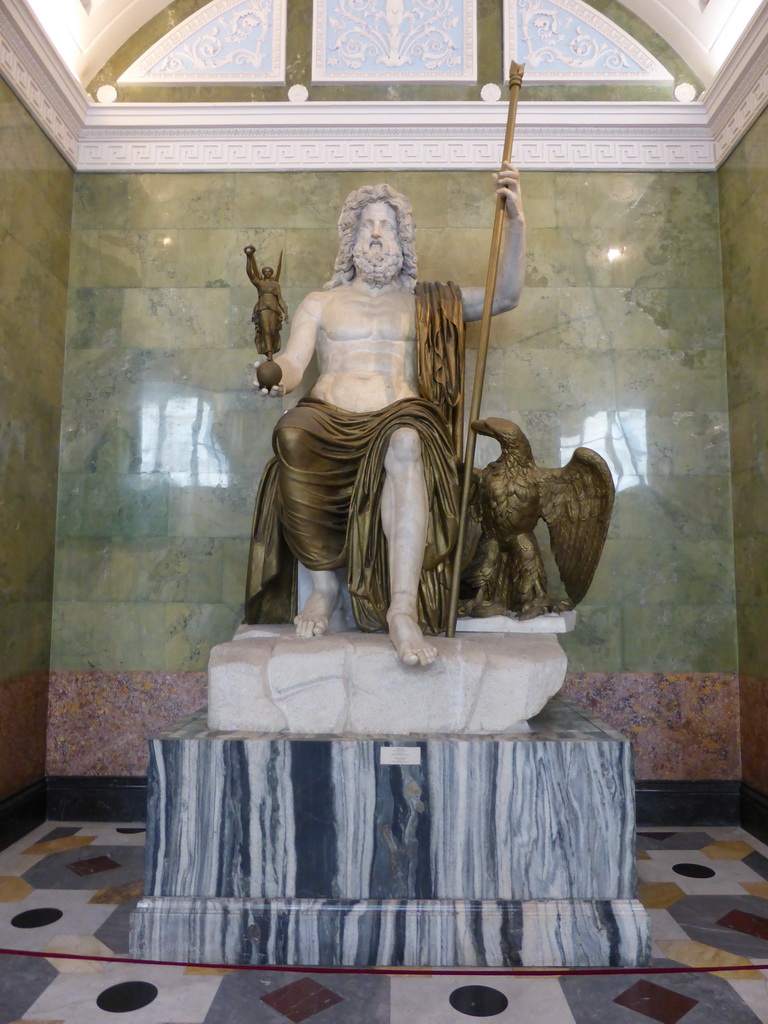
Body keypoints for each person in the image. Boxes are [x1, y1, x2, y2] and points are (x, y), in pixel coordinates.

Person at [244, 163, 525, 666]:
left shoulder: (426, 302)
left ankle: (402, 609)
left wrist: (516, 223)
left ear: (402, 239)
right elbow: (293, 362)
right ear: (351, 237)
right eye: (367, 225)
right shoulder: (320, 302)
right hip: (327, 415)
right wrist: (273, 376)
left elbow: (505, 296)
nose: (376, 235)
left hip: (399, 415)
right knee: (290, 433)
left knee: (406, 441)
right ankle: (324, 588)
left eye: (387, 226)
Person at [244, 246, 289, 359]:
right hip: (262, 308)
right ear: (263, 273)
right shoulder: (260, 283)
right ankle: (269, 353)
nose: (268, 272)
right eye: (266, 271)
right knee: (266, 330)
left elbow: (280, 299)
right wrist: (249, 257)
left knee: (273, 331)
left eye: (270, 271)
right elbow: (250, 273)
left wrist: (285, 312)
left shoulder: (275, 285)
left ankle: (272, 350)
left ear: (271, 273)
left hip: (274, 309)